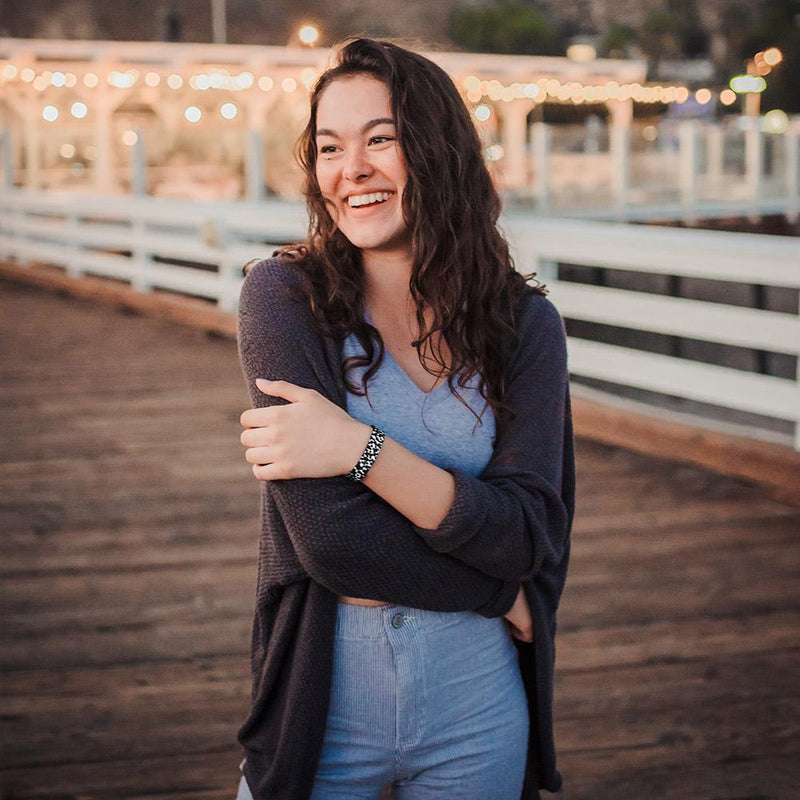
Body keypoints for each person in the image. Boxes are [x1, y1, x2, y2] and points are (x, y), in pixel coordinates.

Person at [235, 37, 575, 800]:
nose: (350, 169)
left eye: (380, 140)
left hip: (476, 703)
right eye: (329, 147)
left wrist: (358, 448)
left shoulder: (525, 326)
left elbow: (528, 534)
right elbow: (330, 541)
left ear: (437, 151)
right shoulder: (282, 298)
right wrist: (494, 591)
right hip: (323, 710)